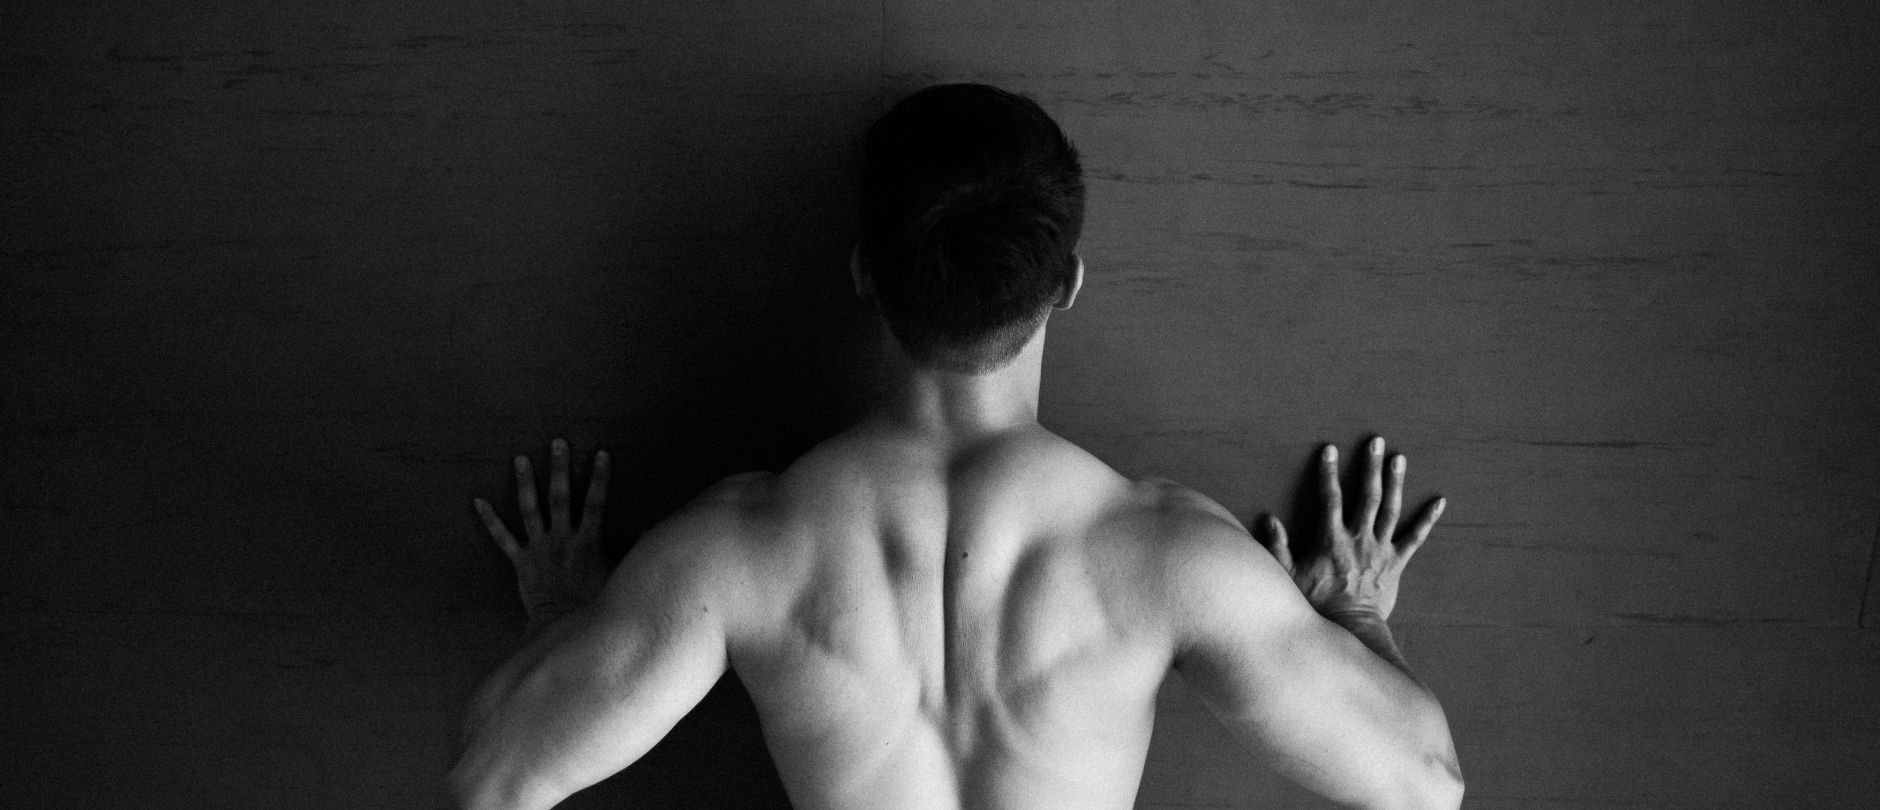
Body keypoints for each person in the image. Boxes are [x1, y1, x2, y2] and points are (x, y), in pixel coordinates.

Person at [449, 84, 1462, 810]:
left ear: (864, 274)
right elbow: (1425, 785)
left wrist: (561, 624)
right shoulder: (1169, 558)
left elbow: (493, 780)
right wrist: (1358, 618)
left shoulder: (735, 552)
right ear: (1067, 284)